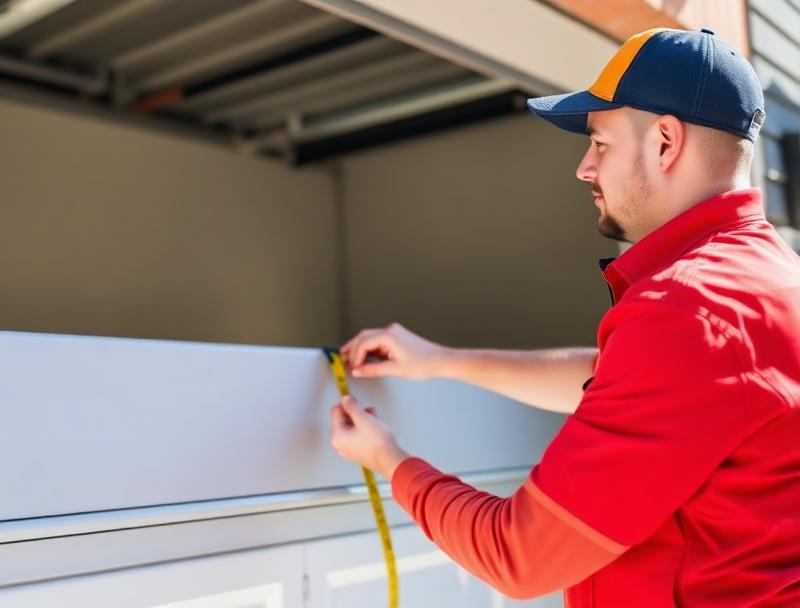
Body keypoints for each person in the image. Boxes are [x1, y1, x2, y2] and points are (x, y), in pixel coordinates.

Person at [329, 27, 800, 607]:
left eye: (600, 143)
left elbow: (517, 556)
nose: (584, 167)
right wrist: (440, 362)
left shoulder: (689, 311)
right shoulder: (770, 283)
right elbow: (615, 378)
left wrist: (387, 460)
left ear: (665, 142)